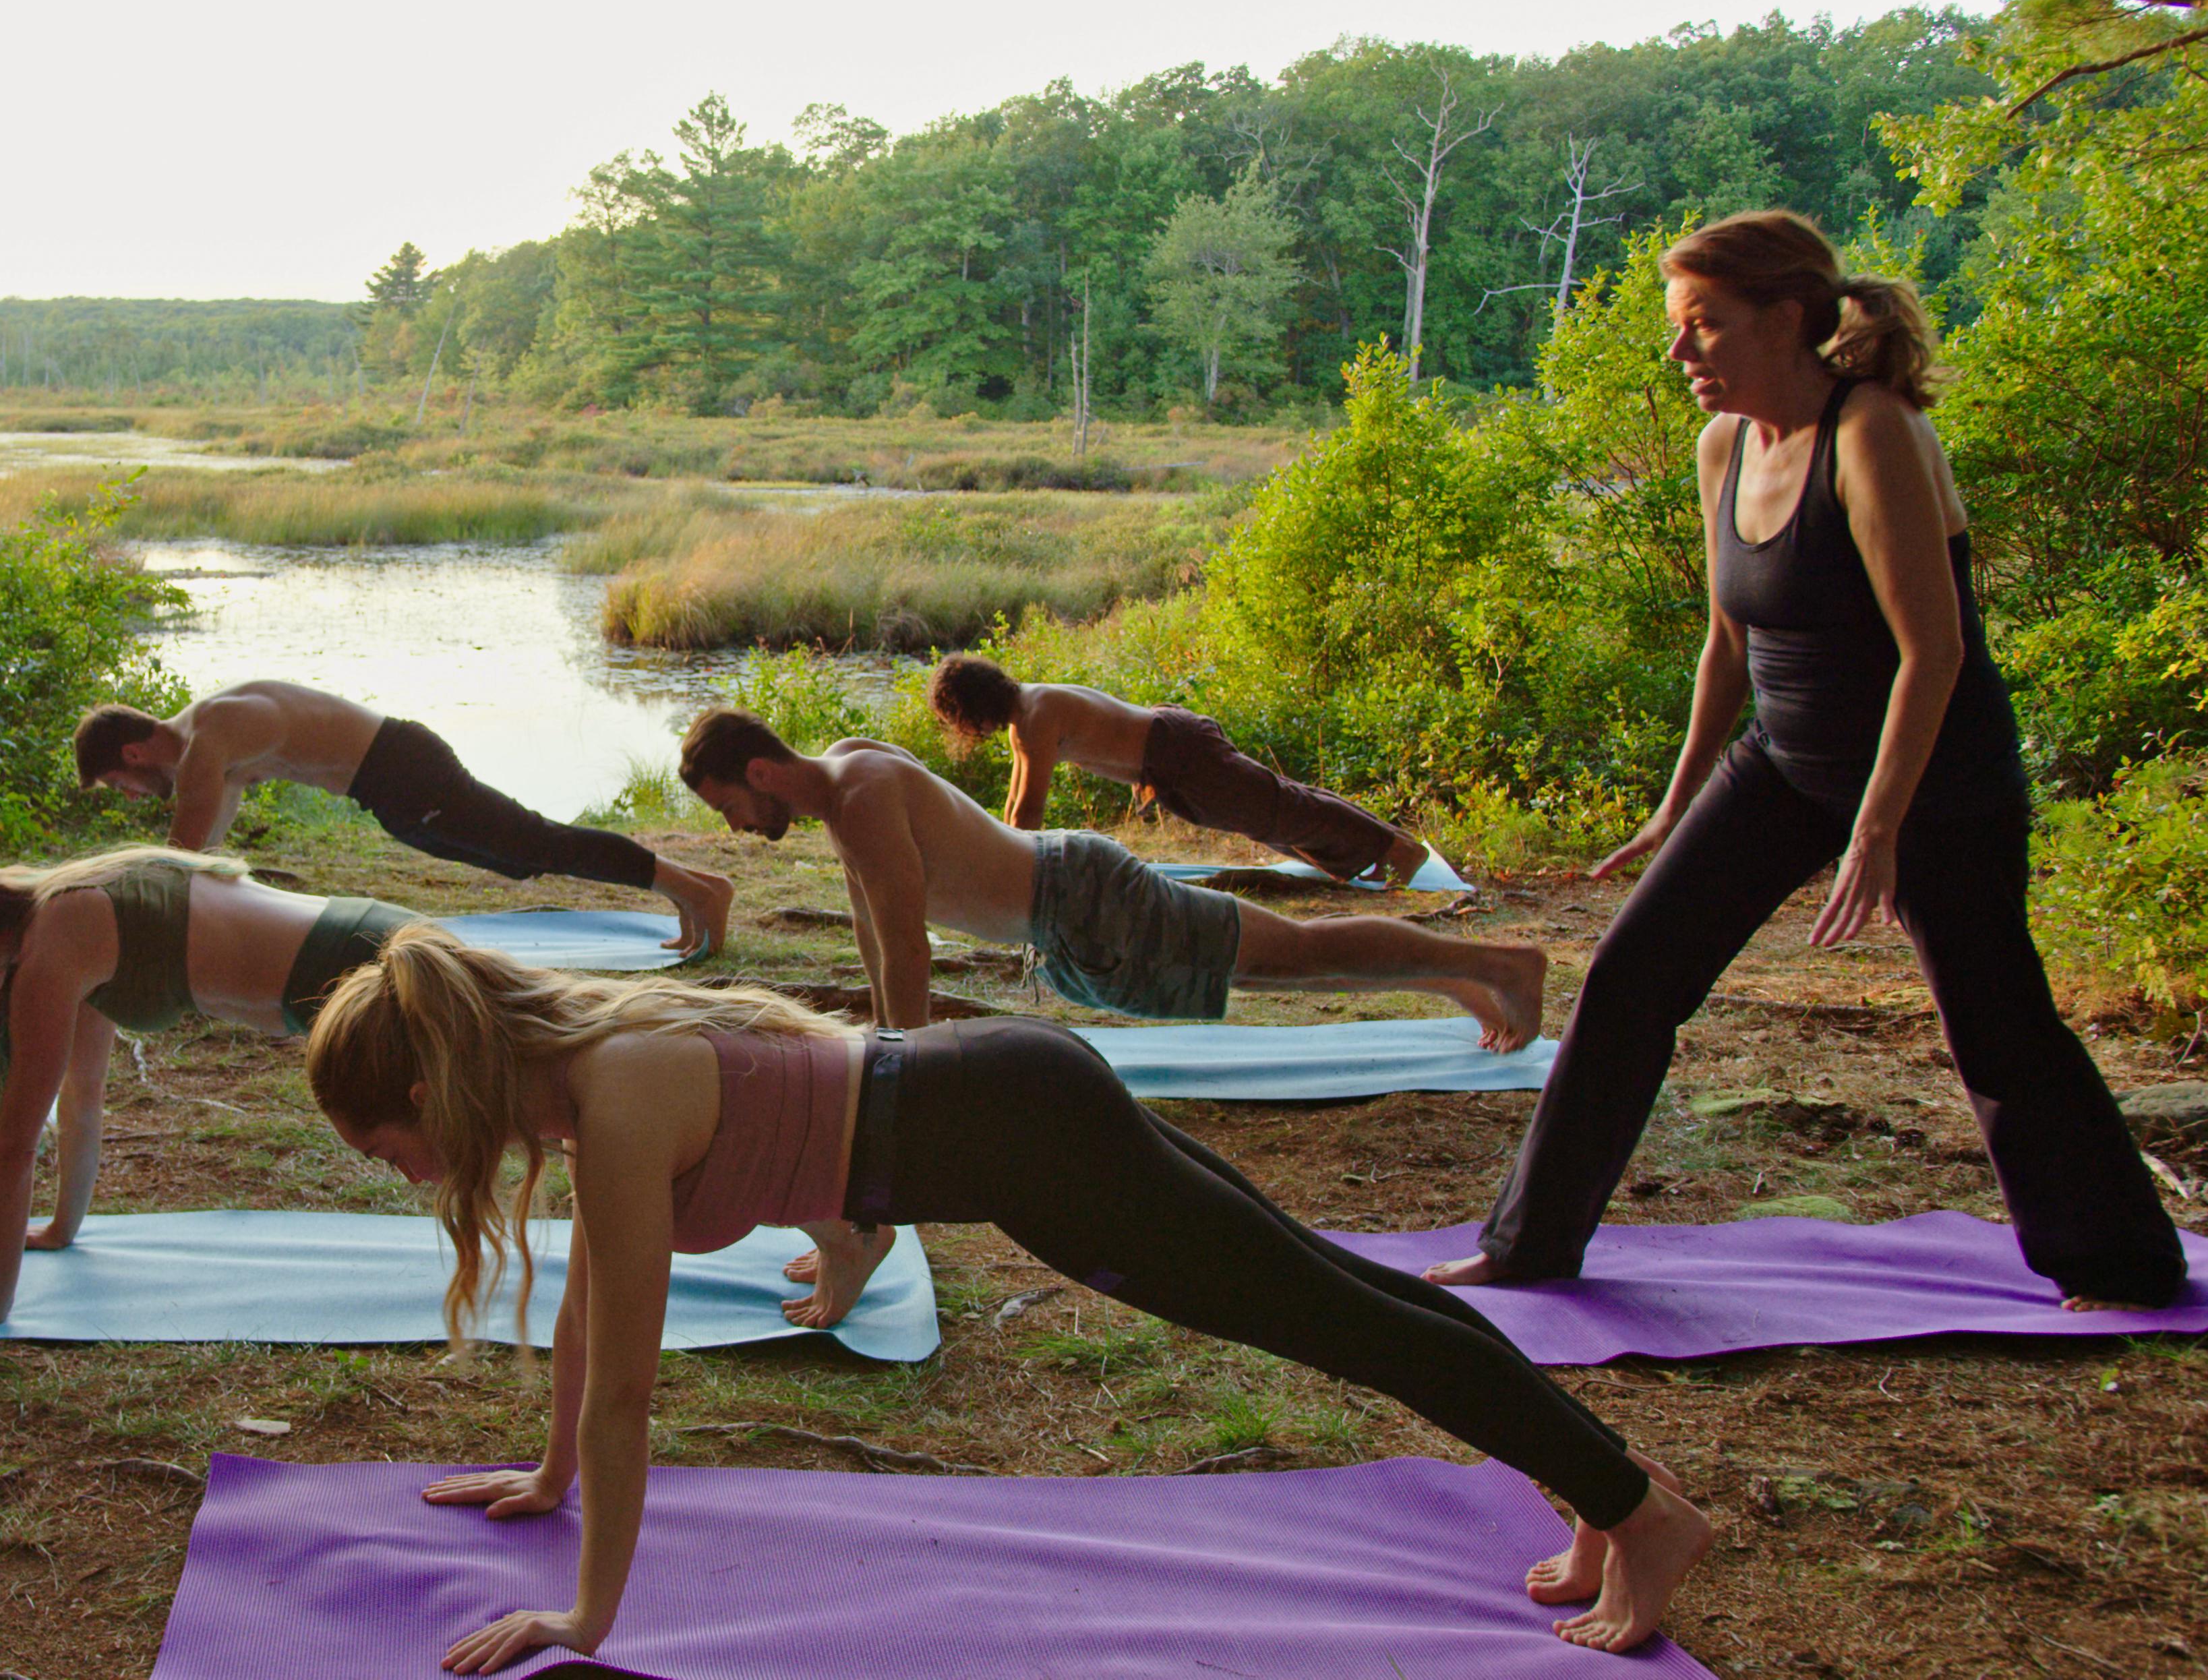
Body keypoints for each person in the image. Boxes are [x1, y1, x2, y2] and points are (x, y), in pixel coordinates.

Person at [305, 929, 1712, 1671]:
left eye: (384, 1147)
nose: (400, 1171)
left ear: (427, 1092)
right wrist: (550, 1479)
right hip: (1018, 1092)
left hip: (1029, 1133)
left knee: (1332, 1316)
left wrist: (586, 1622)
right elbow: (594, 1315)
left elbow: (626, 1381)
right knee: (1340, 1290)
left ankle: (1644, 1514)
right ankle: (1599, 1490)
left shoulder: (610, 1095)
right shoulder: (583, 1077)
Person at [1421, 212, 2187, 1311]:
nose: (1680, 354)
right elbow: (1725, 643)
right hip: (1780, 762)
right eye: (1677, 330)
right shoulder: (1722, 445)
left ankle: (2117, 1262)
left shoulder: (1871, 432)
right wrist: (1673, 801)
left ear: (1784, 320)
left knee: (1994, 1017)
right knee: (1631, 977)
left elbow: (1933, 650)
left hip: (1933, 773)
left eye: (1703, 328)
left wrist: (1877, 829)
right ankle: (1529, 1240)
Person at [674, 709, 1541, 1046]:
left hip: (1082, 895)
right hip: (1069, 904)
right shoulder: (846, 775)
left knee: (1286, 958)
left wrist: (907, 1061)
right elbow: (872, 925)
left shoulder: (858, 799)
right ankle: (1463, 979)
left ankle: (1500, 967)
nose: (737, 830)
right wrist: (891, 1041)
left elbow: (907, 948)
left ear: (758, 775)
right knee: (1274, 966)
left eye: (727, 809)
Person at [0, 829, 425, 1325]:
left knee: (486, 1117)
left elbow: (12, 1148)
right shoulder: (70, 910)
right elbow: (82, 1093)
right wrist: (60, 1229)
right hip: (374, 943)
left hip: (368, 968)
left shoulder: (57, 941)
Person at [73, 680, 734, 955]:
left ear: (133, 753)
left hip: (402, 768)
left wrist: (118, 922)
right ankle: (685, 889)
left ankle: (698, 889)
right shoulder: (211, 743)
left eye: (118, 784)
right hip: (391, 790)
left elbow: (181, 860)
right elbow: (204, 865)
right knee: (521, 859)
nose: (130, 796)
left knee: (539, 844)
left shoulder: (208, 741)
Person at [926, 653, 1427, 885]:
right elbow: (1015, 808)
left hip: (1178, 751)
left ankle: (1397, 850)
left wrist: (996, 870)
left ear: (973, 710)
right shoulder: (1027, 714)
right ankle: (1371, 858)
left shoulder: (1036, 716)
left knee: (1279, 809)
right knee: (1273, 815)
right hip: (1172, 756)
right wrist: (990, 849)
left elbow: (1027, 815)